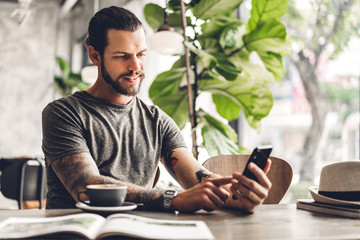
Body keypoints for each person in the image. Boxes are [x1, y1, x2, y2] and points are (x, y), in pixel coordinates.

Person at [42, 6, 272, 212]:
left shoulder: (156, 120)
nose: (136, 67)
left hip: (135, 232)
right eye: (122, 57)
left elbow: (198, 179)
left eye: (141, 55)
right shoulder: (63, 113)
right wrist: (173, 199)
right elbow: (87, 187)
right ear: (95, 55)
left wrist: (238, 195)